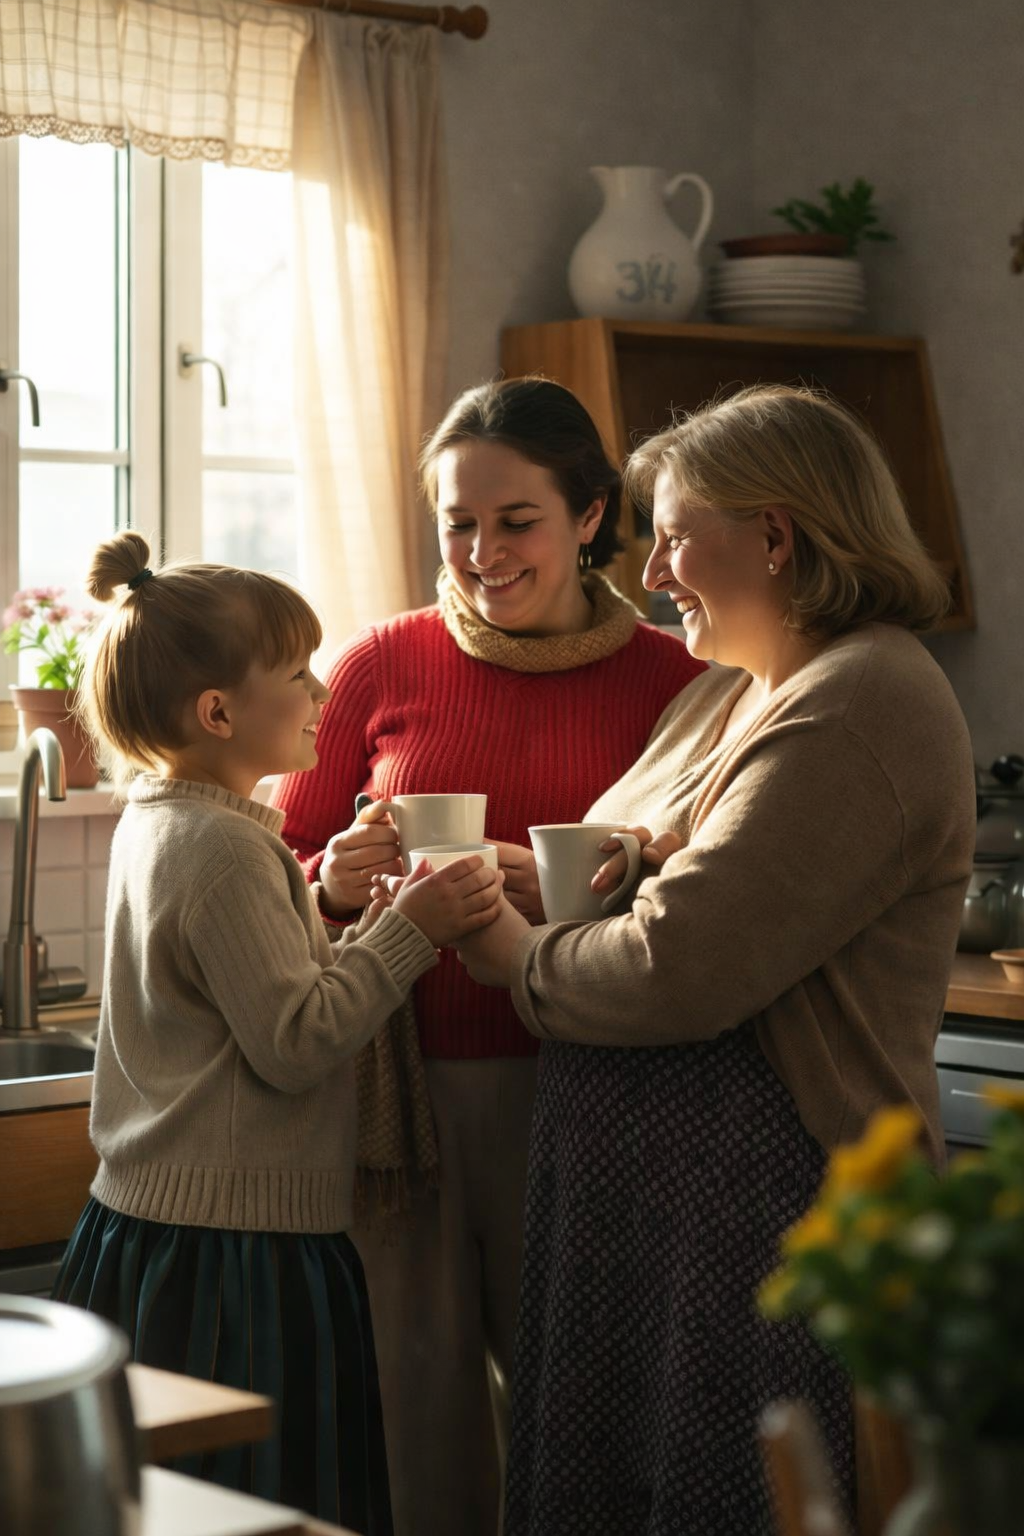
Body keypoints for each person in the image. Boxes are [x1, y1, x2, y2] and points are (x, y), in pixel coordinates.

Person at [453, 384, 977, 1535]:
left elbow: (677, 967)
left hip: (760, 1220)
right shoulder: (720, 697)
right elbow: (660, 883)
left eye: (675, 536)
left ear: (775, 537)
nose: (649, 572)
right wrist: (527, 880)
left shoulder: (863, 698)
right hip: (641, 1216)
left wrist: (511, 953)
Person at [270, 377, 705, 1536]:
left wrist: (575, 889)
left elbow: (706, 894)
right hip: (394, 1095)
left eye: (516, 520)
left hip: (588, 1085)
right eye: (458, 522)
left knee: (584, 1416)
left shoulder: (677, 682)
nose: (480, 552)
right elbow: (286, 866)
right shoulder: (382, 662)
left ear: (589, 515)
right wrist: (332, 881)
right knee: (409, 1416)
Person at [52, 531, 502, 1531]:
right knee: (267, 1504)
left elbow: (260, 1000)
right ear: (217, 713)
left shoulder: (161, 821)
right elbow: (297, 1041)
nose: (322, 693)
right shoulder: (226, 849)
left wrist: (353, 922)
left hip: (158, 1232)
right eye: (297, 675)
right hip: (238, 1255)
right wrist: (409, 933)